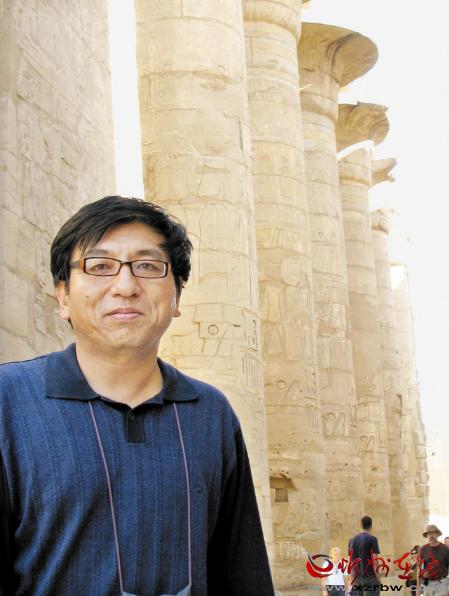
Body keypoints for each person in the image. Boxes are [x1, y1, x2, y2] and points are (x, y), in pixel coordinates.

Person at [0, 196, 275, 596]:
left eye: (147, 266)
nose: (126, 287)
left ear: (177, 295)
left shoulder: (210, 413)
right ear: (63, 296)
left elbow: (241, 572)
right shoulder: (9, 401)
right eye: (99, 267)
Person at [348, 516, 381, 596]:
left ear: (361, 525)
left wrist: (352, 579)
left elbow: (352, 562)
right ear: (371, 526)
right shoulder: (372, 539)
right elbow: (375, 561)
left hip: (357, 579)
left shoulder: (351, 541)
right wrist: (378, 578)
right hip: (370, 578)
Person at [417, 524, 449, 596]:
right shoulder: (423, 549)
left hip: (442, 583)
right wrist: (418, 589)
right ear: (427, 536)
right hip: (427, 582)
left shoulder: (445, 549)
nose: (431, 536)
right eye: (429, 534)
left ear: (437, 534)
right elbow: (419, 569)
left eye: (433, 533)